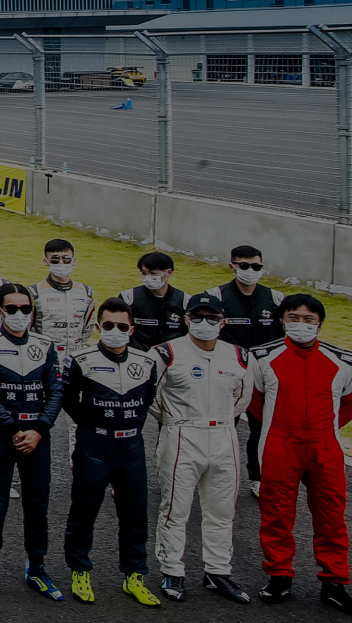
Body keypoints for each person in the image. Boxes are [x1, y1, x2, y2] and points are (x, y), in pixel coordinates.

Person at [245, 294, 352, 611]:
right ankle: (279, 576)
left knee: (332, 517)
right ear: (282, 320)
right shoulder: (261, 357)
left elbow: (348, 403)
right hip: (279, 444)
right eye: (293, 317)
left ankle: (335, 582)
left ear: (320, 322)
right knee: (276, 515)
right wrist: (281, 427)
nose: (301, 324)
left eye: (308, 319)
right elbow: (253, 400)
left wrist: (323, 428)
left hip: (325, 445)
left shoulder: (343, 360)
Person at [150, 293, 253, 604]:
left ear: (222, 321)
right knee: (175, 508)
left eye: (212, 317)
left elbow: (242, 398)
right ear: (186, 319)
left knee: (222, 510)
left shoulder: (239, 356)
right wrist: (175, 420)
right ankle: (172, 569)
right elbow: (151, 396)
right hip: (182, 433)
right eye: (197, 316)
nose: (204, 322)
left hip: (224, 434)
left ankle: (218, 571)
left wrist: (221, 420)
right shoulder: (166, 352)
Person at [61, 297, 163, 607]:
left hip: (131, 445)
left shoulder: (146, 362)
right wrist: (92, 425)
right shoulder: (81, 359)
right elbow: (68, 399)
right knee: (84, 510)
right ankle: (80, 571)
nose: (115, 331)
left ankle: (135, 576)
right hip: (95, 443)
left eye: (121, 326)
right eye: (108, 325)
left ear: (131, 329)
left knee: (135, 513)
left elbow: (146, 399)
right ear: (98, 326)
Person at [0, 283, 67, 601]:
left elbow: (56, 391)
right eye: (11, 308)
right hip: (2, 434)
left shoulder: (46, 345)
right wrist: (12, 428)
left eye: (25, 308)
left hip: (37, 436)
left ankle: (37, 567)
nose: (19, 314)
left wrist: (39, 429)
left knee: (37, 503)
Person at [204, 245, 284, 497]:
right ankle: (213, 473)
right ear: (232, 267)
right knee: (221, 426)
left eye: (256, 266)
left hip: (263, 377)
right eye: (244, 266)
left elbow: (282, 340)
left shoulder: (276, 299)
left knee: (262, 428)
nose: (250, 270)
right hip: (227, 374)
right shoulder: (215, 296)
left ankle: (259, 477)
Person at [30, 239, 95, 355]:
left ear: (74, 261)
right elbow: (27, 328)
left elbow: (88, 327)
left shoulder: (86, 292)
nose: (61, 263)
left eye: (66, 259)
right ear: (46, 262)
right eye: (55, 259)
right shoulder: (34, 292)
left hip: (75, 354)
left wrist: (78, 348)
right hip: (44, 355)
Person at [118, 251, 186, 351]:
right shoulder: (129, 297)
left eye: (153, 273)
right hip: (138, 355)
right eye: (144, 273)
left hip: (173, 356)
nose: (148, 278)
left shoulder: (184, 300)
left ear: (169, 273)